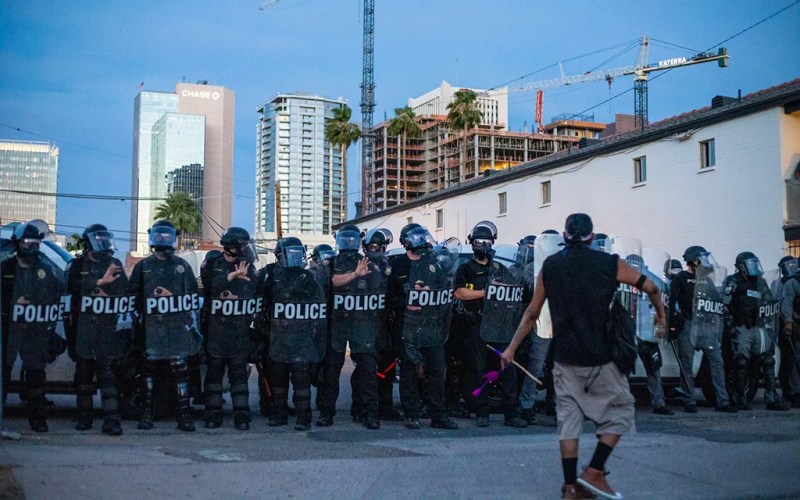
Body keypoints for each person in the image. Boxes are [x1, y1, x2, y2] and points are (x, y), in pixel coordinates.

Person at [501, 213, 666, 500]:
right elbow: (651, 287)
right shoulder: (608, 263)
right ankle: (594, 471)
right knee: (621, 411)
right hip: (601, 358)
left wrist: (511, 348)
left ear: (565, 237)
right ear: (591, 237)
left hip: (564, 358)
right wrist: (661, 317)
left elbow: (532, 313)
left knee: (569, 421)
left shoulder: (550, 266)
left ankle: (570, 488)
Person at [129, 220, 201, 432]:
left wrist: (172, 297)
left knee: (180, 371)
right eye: (159, 236)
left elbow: (192, 296)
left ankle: (183, 416)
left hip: (176, 328)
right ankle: (147, 414)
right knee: (148, 372)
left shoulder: (182, 266)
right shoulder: (143, 266)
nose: (162, 240)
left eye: (166, 236)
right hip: (151, 329)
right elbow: (132, 296)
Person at [455, 221, 527, 428]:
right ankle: (482, 412)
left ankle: (511, 413)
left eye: (487, 242)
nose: (483, 246)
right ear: (472, 243)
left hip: (500, 325)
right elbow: (459, 292)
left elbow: (513, 290)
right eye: (479, 242)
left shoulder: (499, 268)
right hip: (476, 324)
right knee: (479, 370)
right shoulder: (466, 268)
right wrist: (486, 292)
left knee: (507, 368)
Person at [317, 225, 388, 429]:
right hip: (336, 325)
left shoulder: (370, 263)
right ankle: (326, 412)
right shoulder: (331, 263)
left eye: (352, 239)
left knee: (367, 371)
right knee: (331, 372)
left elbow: (380, 289)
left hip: (362, 325)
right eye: (344, 239)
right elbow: (332, 281)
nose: (348, 243)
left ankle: (368, 413)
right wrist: (355, 274)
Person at [390, 224, 458, 430]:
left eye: (423, 237)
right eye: (417, 237)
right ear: (406, 242)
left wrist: (432, 291)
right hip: (408, 326)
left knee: (437, 371)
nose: (422, 241)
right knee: (409, 371)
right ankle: (411, 414)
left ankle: (438, 415)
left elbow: (445, 288)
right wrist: (406, 302)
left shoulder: (433, 263)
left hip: (432, 326)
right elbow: (389, 298)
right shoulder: (397, 265)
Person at [65, 224, 131, 435]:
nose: (102, 243)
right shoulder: (77, 265)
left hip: (107, 328)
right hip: (83, 328)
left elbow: (124, 291)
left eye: (104, 239)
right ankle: (84, 418)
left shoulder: (114, 263)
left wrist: (103, 291)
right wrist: (99, 283)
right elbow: (72, 287)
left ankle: (112, 421)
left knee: (108, 378)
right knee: (83, 377)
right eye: (98, 239)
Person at [1, 221, 65, 433]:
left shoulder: (46, 270)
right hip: (9, 330)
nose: (32, 246)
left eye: (36, 242)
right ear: (17, 243)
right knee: (3, 373)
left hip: (35, 330)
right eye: (28, 242)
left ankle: (38, 420)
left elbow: (59, 292)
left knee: (36, 375)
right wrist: (13, 304)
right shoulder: (5, 268)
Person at [262, 236, 326, 431]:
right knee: (278, 378)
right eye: (291, 254)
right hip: (277, 336)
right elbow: (261, 303)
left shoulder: (308, 277)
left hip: (301, 335)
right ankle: (279, 414)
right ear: (279, 256)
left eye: (298, 254)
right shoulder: (270, 275)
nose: (295, 258)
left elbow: (318, 305)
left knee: (301, 379)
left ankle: (303, 417)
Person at [668, 245, 738, 414]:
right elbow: (671, 302)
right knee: (687, 364)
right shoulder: (681, 278)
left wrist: (723, 308)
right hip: (688, 324)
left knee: (717, 362)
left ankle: (722, 401)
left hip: (706, 326)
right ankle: (689, 401)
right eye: (701, 259)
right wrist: (671, 326)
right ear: (693, 260)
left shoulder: (706, 280)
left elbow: (716, 300)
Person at [203, 227, 260, 430]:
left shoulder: (249, 267)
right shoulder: (213, 264)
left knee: (239, 377)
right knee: (214, 376)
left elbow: (254, 293)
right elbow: (210, 288)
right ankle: (213, 415)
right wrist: (231, 276)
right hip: (216, 331)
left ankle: (242, 416)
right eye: (242, 245)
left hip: (239, 331)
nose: (245, 249)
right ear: (231, 246)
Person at [722, 252, 787, 411]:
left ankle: (771, 396)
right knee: (741, 362)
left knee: (768, 360)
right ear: (741, 266)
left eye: (754, 263)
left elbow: (769, 301)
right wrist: (730, 323)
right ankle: (741, 397)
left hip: (759, 325)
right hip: (741, 326)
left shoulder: (760, 281)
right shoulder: (733, 281)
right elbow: (724, 303)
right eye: (750, 263)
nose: (754, 266)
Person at [625, 253, 673, 416]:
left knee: (653, 368)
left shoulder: (652, 280)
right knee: (623, 369)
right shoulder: (626, 280)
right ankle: (620, 404)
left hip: (645, 333)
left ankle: (659, 404)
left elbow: (664, 303)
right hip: (629, 332)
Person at [776, 256, 800, 407]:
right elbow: (787, 304)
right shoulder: (793, 283)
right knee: (794, 361)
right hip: (796, 326)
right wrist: (789, 323)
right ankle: (794, 393)